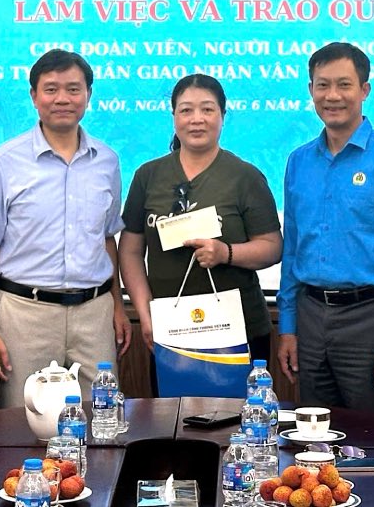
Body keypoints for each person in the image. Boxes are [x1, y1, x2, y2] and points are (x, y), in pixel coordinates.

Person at [0, 49, 131, 408]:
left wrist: (118, 307)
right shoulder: (1, 162)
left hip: (95, 312)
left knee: (100, 420)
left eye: (73, 89)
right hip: (24, 313)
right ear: (34, 96)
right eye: (51, 89)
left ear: (88, 94)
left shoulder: (107, 161)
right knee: (22, 421)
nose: (62, 99)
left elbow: (107, 239)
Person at [276, 42, 374, 415]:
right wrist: (288, 327)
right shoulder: (298, 162)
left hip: (371, 320)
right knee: (312, 441)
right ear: (311, 90)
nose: (332, 96)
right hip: (310, 319)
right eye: (322, 85)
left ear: (364, 90)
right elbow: (292, 250)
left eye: (344, 85)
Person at [118, 74, 282, 391]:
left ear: (222, 115)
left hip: (238, 330)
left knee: (242, 429)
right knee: (173, 429)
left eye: (207, 110)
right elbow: (130, 251)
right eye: (186, 110)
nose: (197, 119)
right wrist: (145, 312)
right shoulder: (149, 175)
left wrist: (226, 253)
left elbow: (273, 247)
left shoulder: (244, 176)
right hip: (172, 329)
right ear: (174, 117)